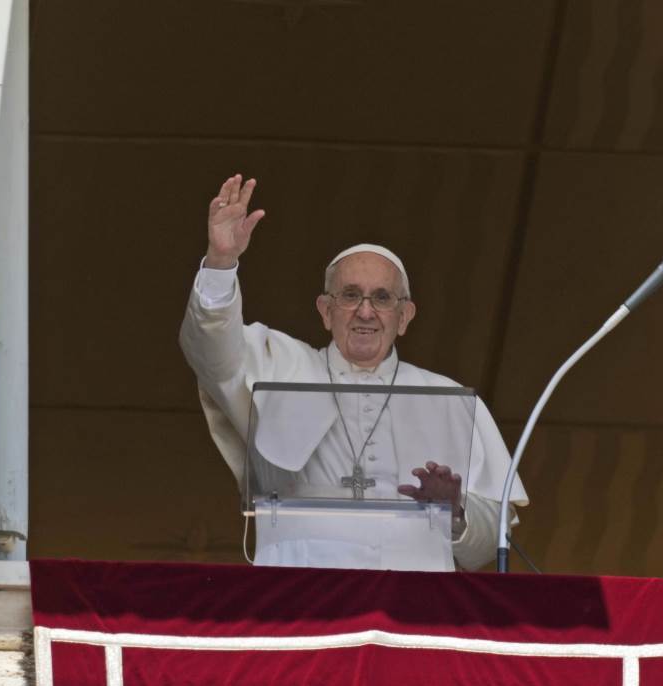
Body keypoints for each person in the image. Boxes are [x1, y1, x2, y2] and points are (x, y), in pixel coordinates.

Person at [180, 174, 527, 570]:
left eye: (382, 298)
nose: (365, 311)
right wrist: (221, 262)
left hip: (413, 604)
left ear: (404, 317)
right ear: (325, 311)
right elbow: (210, 351)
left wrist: (456, 509)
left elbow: (489, 546)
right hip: (302, 595)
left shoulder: (446, 397)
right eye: (350, 295)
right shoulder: (280, 363)